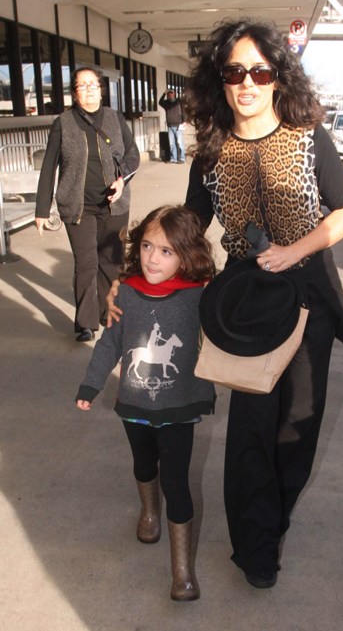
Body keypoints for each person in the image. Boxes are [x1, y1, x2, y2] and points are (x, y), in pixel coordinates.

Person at [177, 18, 343, 589]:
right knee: (250, 426)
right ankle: (257, 548)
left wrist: (295, 250)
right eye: (234, 72)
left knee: (299, 423)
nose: (247, 83)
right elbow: (190, 227)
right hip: (247, 301)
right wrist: (144, 270)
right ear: (220, 81)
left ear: (277, 78)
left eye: (259, 71)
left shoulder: (307, 136)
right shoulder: (211, 152)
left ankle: (274, 516)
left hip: (308, 291)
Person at [76, 205, 216, 601]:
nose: (153, 258)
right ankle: (150, 511)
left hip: (179, 407)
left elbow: (231, 313)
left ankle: (182, 572)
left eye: (167, 251)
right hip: (135, 405)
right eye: (148, 246)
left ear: (186, 255)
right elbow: (111, 342)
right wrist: (91, 383)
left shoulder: (200, 295)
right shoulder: (127, 293)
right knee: (142, 464)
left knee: (177, 481)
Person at [35, 67, 140, 342]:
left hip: (114, 205)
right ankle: (85, 323)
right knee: (86, 264)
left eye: (93, 84)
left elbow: (132, 155)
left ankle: (108, 313)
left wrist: (122, 181)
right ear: (74, 93)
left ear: (101, 89)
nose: (89, 89)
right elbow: (49, 166)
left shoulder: (115, 118)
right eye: (82, 85)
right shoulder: (63, 122)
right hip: (77, 205)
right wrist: (41, 209)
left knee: (112, 263)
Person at [159, 89, 186, 164]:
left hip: (178, 125)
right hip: (170, 126)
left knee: (180, 143)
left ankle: (182, 158)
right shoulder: (166, 103)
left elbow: (183, 112)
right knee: (172, 143)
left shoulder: (179, 102)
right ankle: (173, 159)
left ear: (174, 93)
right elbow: (160, 102)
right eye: (169, 93)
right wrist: (164, 93)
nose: (170, 94)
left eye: (172, 93)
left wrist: (184, 121)